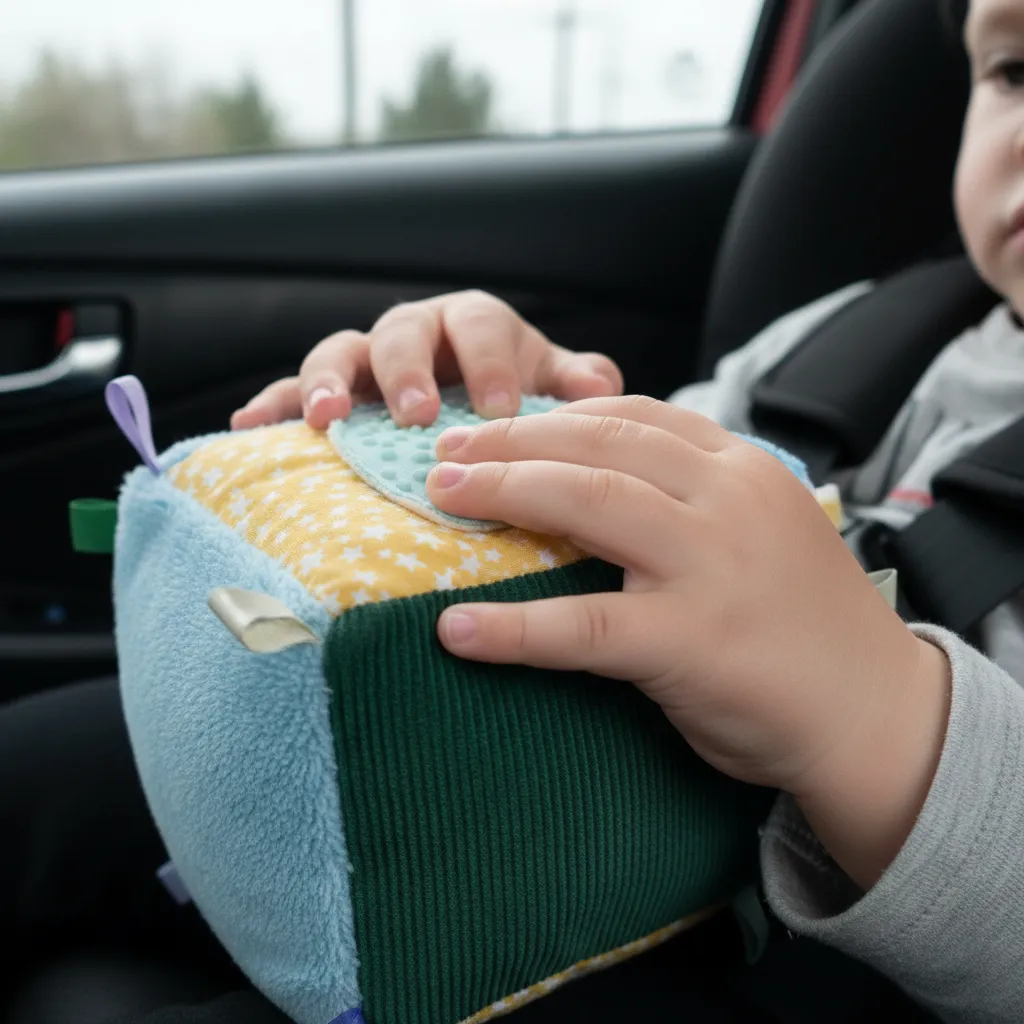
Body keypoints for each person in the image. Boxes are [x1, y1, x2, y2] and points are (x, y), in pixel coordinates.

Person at [3, 0, 1021, 1020]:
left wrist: (873, 713)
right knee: (39, 774)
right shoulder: (852, 333)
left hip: (796, 955)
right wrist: (523, 422)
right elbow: (671, 473)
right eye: (1014, 72)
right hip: (515, 756)